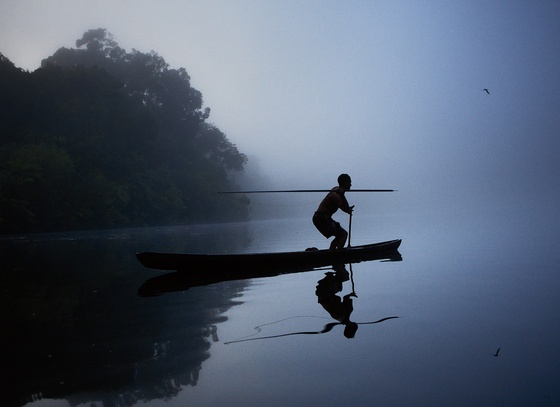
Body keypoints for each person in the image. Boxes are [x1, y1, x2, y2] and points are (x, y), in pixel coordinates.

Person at [312, 174, 354, 251]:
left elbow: (345, 207)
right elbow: (345, 209)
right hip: (321, 218)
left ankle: (331, 253)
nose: (351, 185)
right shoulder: (336, 195)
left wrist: (348, 207)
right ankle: (337, 256)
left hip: (320, 217)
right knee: (343, 234)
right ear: (345, 183)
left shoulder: (336, 190)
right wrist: (348, 209)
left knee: (340, 235)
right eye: (349, 182)